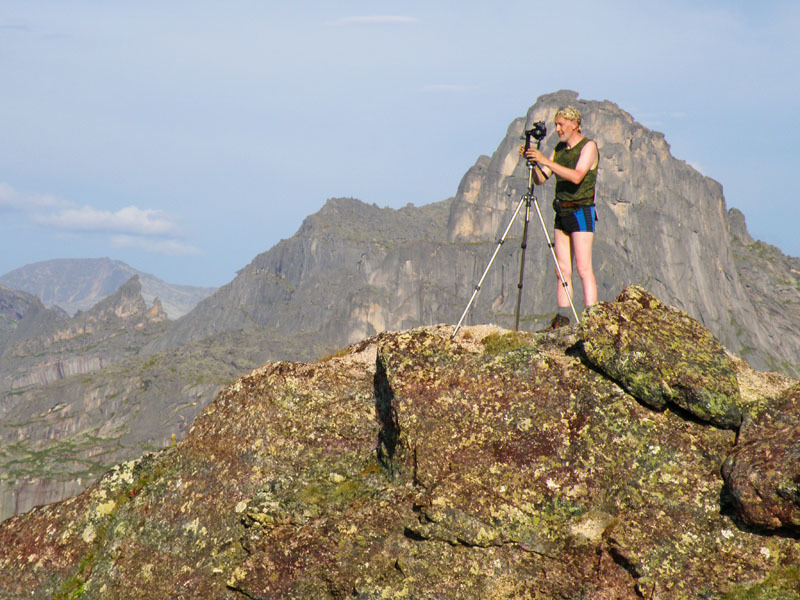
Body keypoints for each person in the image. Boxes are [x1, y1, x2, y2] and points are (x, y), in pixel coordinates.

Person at [519, 105, 599, 330]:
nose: (557, 129)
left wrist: (545, 160)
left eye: (561, 125)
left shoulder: (588, 147)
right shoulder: (559, 149)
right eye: (556, 125)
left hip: (581, 210)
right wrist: (535, 163)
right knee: (561, 269)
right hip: (561, 211)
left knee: (584, 268)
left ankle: (593, 320)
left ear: (574, 124)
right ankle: (562, 319)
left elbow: (576, 176)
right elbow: (541, 179)